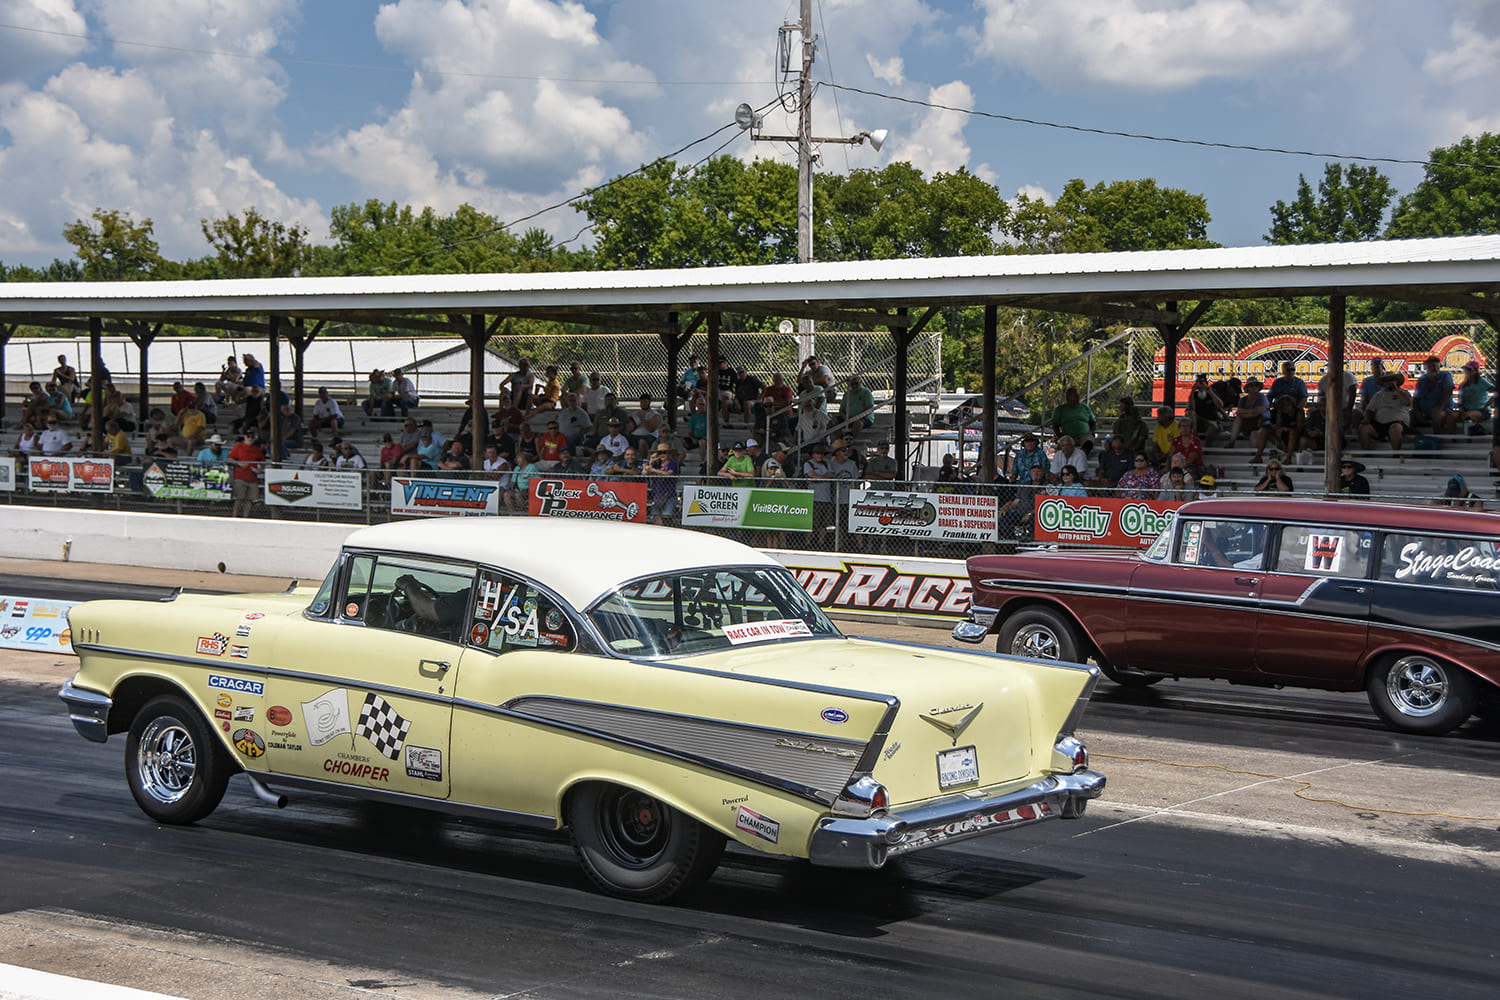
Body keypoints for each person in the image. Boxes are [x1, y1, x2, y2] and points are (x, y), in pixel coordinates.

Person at [1360, 371, 1412, 452]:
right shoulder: (1378, 395)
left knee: (1395, 428)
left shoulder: (1404, 393)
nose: (1389, 382)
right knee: (1364, 428)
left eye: (1392, 380)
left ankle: (1396, 454)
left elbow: (1408, 402)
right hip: (1380, 424)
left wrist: (1396, 389)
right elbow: (1369, 409)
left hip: (1398, 423)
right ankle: (1366, 454)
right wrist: (1366, 419)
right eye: (1387, 381)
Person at [1411, 355, 1457, 435]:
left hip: (1443, 409)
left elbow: (1448, 391)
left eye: (1436, 366)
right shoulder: (1422, 380)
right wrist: (1417, 411)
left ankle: (1438, 437)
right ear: (1426, 368)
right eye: (1431, 366)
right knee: (1408, 415)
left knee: (1437, 414)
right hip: (1424, 410)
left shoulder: (1445, 375)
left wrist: (1440, 408)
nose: (1434, 369)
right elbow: (1416, 398)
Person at [1255, 395, 1302, 464]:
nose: (1286, 407)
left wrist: (1287, 429)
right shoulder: (1279, 412)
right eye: (1283, 406)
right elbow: (1277, 427)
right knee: (1264, 431)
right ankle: (1258, 456)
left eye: (1288, 405)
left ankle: (1289, 458)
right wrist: (1279, 416)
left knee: (1292, 432)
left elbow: (1300, 429)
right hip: (1281, 441)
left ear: (1292, 404)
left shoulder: (1298, 412)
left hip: (1295, 440)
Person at [227, 430, 264, 518]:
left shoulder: (257, 449)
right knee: (239, 498)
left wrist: (260, 469)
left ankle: (245, 517)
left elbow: (262, 461)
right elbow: (230, 459)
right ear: (244, 437)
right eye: (248, 436)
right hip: (240, 477)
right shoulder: (238, 447)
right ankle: (234, 516)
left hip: (252, 478)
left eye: (252, 437)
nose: (250, 438)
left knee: (250, 499)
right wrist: (239, 463)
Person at [1226, 377, 1268, 448]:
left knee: (1254, 438)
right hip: (1247, 422)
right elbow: (1239, 412)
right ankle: (1231, 442)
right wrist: (1252, 412)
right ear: (1248, 388)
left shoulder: (1262, 397)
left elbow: (1261, 411)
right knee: (1238, 419)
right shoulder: (1243, 399)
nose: (1254, 387)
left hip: (1258, 424)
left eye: (1256, 385)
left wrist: (1246, 413)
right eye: (1252, 385)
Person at [645, 441, 680, 525]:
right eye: (660, 453)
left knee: (666, 516)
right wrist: (651, 461)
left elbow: (668, 473)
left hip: (669, 495)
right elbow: (644, 473)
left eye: (664, 452)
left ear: (668, 454)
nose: (662, 455)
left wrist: (653, 470)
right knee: (657, 518)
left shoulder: (673, 464)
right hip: (657, 495)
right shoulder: (656, 464)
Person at [1456, 360, 1492, 435]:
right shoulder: (1464, 384)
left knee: (1467, 416)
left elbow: (1496, 391)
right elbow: (1460, 399)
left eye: (1469, 369)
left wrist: (1487, 405)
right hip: (1466, 409)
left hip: (1481, 410)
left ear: (1475, 371)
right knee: (1451, 416)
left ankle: (1469, 435)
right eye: (1466, 369)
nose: (1467, 371)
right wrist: (1461, 408)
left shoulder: (1481, 381)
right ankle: (1452, 437)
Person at [1185, 375, 1224, 442]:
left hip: (1211, 421)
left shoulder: (1212, 393)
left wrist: (1210, 391)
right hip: (1198, 421)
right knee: (1190, 413)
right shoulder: (1194, 395)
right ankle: (1194, 436)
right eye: (1199, 383)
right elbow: (1191, 408)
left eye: (1203, 382)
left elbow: (1220, 405)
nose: (1201, 385)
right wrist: (1192, 391)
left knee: (1212, 429)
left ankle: (1207, 447)